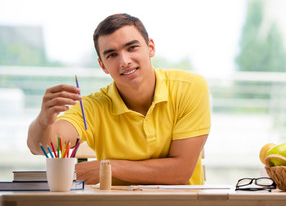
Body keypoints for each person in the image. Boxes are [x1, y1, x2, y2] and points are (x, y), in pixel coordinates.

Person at [27, 13, 211, 185]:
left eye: (132, 48)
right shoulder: (93, 106)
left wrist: (106, 167)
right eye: (112, 55)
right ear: (103, 65)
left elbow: (179, 172)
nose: (124, 61)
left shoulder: (189, 87)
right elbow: (41, 146)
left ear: (151, 47)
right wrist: (44, 120)